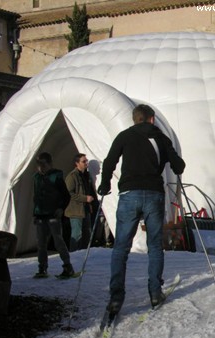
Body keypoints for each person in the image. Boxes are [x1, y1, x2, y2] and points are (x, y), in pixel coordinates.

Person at [98, 104, 185, 317]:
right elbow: (179, 166)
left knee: (121, 247)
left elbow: (110, 161)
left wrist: (105, 183)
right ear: (152, 119)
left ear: (135, 119)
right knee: (154, 246)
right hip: (154, 194)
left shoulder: (125, 136)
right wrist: (171, 162)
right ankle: (155, 292)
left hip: (129, 194)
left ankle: (116, 297)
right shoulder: (161, 138)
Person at [32, 152, 76, 278]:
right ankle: (42, 267)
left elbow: (66, 195)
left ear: (49, 164)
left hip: (52, 214)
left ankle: (67, 266)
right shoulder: (36, 177)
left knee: (58, 241)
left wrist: (61, 208)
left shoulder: (56, 176)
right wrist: (35, 213)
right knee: (41, 243)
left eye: (43, 164)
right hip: (41, 214)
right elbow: (36, 197)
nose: (41, 167)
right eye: (39, 164)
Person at [65, 153, 96, 252]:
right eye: (84, 161)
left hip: (85, 209)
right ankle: (74, 255)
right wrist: (84, 198)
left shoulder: (85, 175)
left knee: (87, 233)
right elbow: (68, 193)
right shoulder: (72, 176)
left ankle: (84, 254)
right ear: (77, 163)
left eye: (86, 161)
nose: (86, 163)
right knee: (77, 234)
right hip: (76, 211)